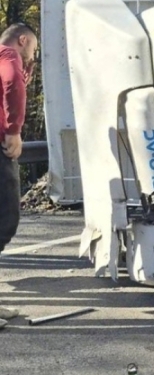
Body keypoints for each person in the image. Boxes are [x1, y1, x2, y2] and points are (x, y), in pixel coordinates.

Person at [0, 23, 38, 329]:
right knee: (4, 219)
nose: (30, 56)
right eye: (32, 50)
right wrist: (13, 132)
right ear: (22, 40)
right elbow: (11, 82)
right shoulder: (8, 55)